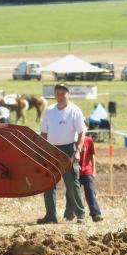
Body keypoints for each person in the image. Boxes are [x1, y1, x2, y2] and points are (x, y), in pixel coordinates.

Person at [37, 83, 87, 224]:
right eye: (57, 93)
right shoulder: (49, 110)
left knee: (72, 184)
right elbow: (44, 133)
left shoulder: (74, 111)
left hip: (69, 150)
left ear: (68, 94)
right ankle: (50, 216)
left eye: (62, 93)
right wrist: (42, 150)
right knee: (48, 183)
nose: (59, 96)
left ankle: (80, 214)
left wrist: (77, 151)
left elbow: (82, 133)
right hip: (51, 150)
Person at [77, 133, 103, 222]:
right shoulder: (72, 139)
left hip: (87, 171)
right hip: (76, 172)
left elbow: (92, 155)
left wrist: (94, 170)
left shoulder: (89, 140)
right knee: (75, 194)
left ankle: (96, 214)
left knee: (91, 192)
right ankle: (78, 215)